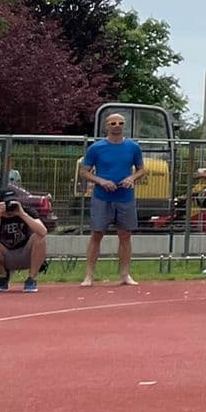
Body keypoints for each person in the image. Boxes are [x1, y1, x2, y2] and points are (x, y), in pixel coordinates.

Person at [79, 110, 146, 287]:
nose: (117, 127)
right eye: (113, 123)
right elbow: (84, 171)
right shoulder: (96, 148)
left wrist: (131, 178)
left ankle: (125, 274)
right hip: (102, 197)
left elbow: (141, 169)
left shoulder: (133, 147)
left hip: (125, 196)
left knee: (125, 235)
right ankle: (89, 275)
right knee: (97, 234)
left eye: (121, 123)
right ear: (106, 126)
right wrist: (101, 181)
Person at [0, 188, 47, 293]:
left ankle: (32, 278)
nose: (10, 207)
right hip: (6, 255)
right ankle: (3, 275)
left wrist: (22, 214)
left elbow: (43, 231)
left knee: (39, 238)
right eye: (7, 203)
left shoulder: (27, 211)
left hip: (26, 253)